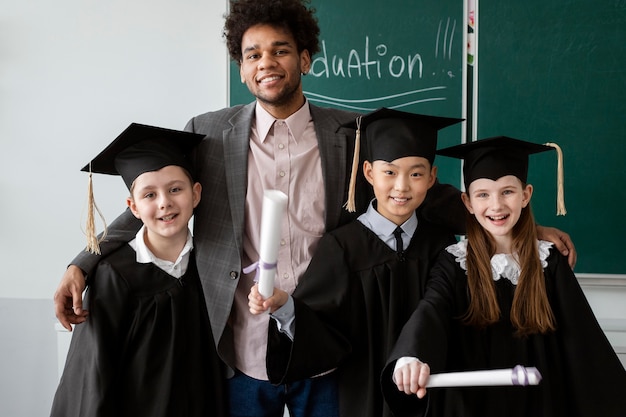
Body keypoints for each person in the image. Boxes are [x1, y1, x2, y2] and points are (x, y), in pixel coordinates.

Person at [53, 1, 576, 416]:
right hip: (237, 345)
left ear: (305, 58)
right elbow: (153, 199)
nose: (267, 64)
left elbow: (424, 192)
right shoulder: (208, 132)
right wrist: (85, 260)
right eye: (254, 54)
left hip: (326, 344)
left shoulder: (350, 133)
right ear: (241, 67)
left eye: (280, 51)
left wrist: (526, 227)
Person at [381, 136, 626, 417]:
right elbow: (431, 312)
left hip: (541, 402)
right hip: (471, 405)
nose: (496, 205)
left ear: (526, 195)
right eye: (483, 194)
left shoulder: (549, 261)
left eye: (507, 192)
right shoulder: (454, 262)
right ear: (468, 202)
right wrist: (411, 356)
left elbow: (584, 345)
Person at [248, 107, 463, 417]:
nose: (401, 186)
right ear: (368, 173)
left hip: (428, 393)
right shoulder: (342, 246)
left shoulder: (440, 243)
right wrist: (285, 305)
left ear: (432, 178)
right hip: (361, 394)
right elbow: (321, 328)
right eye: (389, 172)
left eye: (415, 174)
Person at [50, 124, 227, 417]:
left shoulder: (208, 269)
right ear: (132, 207)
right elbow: (92, 379)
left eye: (175, 189)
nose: (165, 203)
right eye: (149, 195)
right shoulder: (113, 275)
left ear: (195, 194)